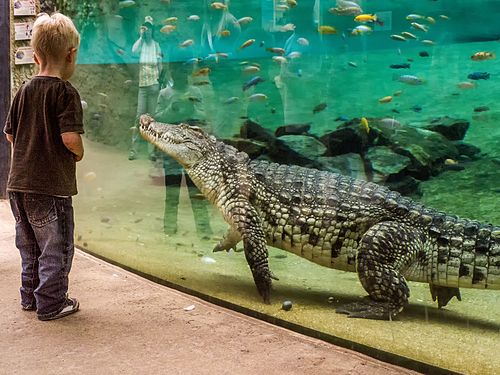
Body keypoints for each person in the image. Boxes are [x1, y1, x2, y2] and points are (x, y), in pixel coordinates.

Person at [3, 12, 83, 321]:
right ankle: (51, 303)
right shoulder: (65, 93)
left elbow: (9, 134)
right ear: (71, 54)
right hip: (50, 188)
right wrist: (78, 153)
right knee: (56, 247)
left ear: (35, 57)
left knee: (29, 246)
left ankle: (30, 298)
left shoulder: (23, 90)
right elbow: (70, 138)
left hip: (18, 186)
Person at [154, 71, 213, 238]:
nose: (180, 75)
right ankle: (169, 229)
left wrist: (191, 108)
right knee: (172, 194)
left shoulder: (196, 92)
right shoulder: (165, 94)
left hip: (192, 152)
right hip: (171, 150)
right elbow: (158, 119)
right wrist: (172, 106)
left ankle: (204, 230)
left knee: (197, 193)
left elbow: (203, 117)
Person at [129, 16, 163, 161]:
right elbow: (133, 51)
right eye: (145, 27)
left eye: (149, 27)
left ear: (152, 30)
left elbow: (160, 64)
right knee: (139, 116)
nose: (147, 30)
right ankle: (133, 150)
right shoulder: (141, 44)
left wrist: (159, 81)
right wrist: (141, 37)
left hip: (153, 85)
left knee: (152, 119)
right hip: (143, 86)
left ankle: (152, 151)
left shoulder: (156, 45)